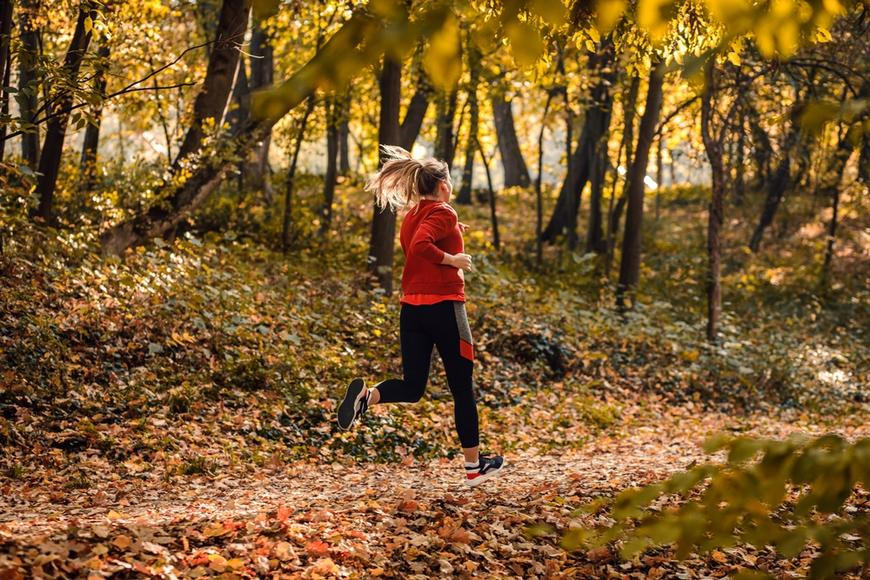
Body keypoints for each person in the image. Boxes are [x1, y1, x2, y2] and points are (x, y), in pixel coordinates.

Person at [336, 145, 506, 487]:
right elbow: (421, 249)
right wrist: (453, 260)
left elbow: (415, 249)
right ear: (442, 185)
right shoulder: (443, 212)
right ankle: (474, 468)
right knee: (462, 389)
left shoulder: (412, 215)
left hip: (412, 310)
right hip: (445, 309)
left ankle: (366, 397)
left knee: (413, 387)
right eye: (450, 182)